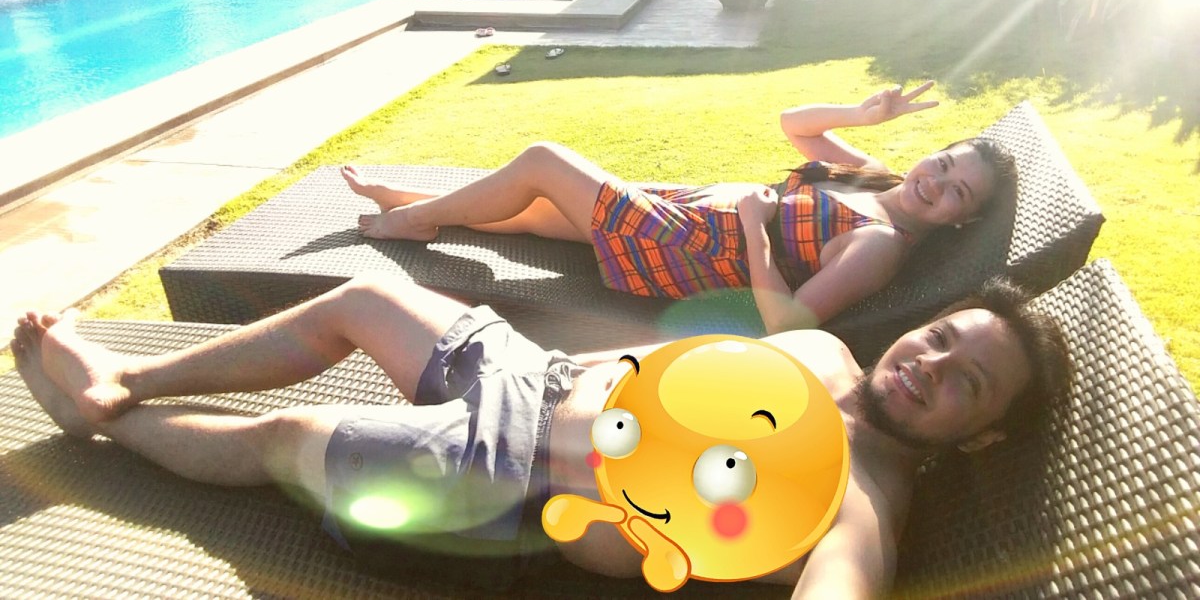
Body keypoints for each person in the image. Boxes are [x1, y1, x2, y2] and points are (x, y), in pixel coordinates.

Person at [12, 275, 1070, 598]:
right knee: (363, 298)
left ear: (978, 438)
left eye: (963, 383)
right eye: (941, 338)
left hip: (503, 485)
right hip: (536, 373)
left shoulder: (865, 503)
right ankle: (127, 377)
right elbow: (719, 341)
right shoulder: (829, 351)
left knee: (288, 437)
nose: (927, 365)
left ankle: (105, 425)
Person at [341, 82, 1018, 333]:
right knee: (536, 211)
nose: (937, 183)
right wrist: (862, 116)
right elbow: (795, 124)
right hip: (691, 214)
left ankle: (409, 219)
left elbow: (788, 322)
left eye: (958, 191)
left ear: (960, 218)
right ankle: (420, 207)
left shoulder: (880, 243)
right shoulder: (876, 178)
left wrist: (754, 227)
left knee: (544, 163)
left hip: (692, 252)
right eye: (945, 164)